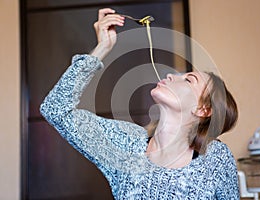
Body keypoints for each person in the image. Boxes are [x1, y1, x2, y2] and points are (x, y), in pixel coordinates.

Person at [40, 8, 240, 199]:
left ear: (203, 109)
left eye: (189, 79)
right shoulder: (125, 144)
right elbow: (55, 109)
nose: (171, 75)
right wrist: (102, 48)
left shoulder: (216, 158)